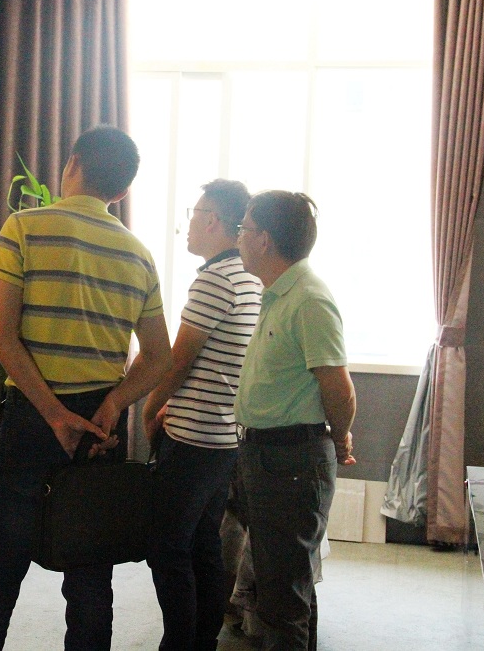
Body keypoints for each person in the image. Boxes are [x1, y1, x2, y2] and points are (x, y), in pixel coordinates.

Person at [0, 126, 172, 651]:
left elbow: (1, 336)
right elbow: (159, 357)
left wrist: (52, 413)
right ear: (122, 190)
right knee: (90, 563)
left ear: (72, 164)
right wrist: (113, 403)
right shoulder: (138, 253)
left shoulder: (25, 227)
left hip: (34, 413)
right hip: (99, 423)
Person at [233, 190, 356, 650]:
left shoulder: (308, 299)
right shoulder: (277, 294)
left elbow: (339, 387)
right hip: (268, 455)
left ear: (264, 239)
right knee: (284, 585)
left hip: (290, 459)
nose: (239, 238)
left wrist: (340, 437)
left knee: (283, 597)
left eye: (244, 229)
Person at [142, 179, 262, 650]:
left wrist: (151, 406)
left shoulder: (215, 279)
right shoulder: (248, 276)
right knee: (202, 544)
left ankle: (180, 643)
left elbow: (179, 359)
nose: (188, 225)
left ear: (213, 220)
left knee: (167, 546)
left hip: (194, 435)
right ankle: (200, 640)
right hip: (225, 434)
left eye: (194, 214)